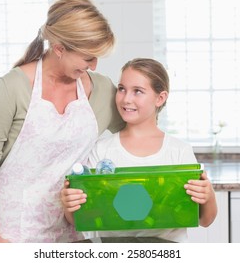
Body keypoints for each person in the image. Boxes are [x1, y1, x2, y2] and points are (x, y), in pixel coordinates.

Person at [0, 0, 125, 243]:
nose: (94, 66)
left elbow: (134, 136)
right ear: (60, 48)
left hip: (72, 231)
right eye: (88, 58)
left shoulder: (102, 90)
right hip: (14, 233)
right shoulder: (12, 88)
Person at [61, 58, 217, 243]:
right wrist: (69, 204)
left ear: (160, 98)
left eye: (138, 91)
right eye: (121, 89)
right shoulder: (101, 149)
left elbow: (205, 220)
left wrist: (208, 195)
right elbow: (79, 219)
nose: (126, 99)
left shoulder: (179, 151)